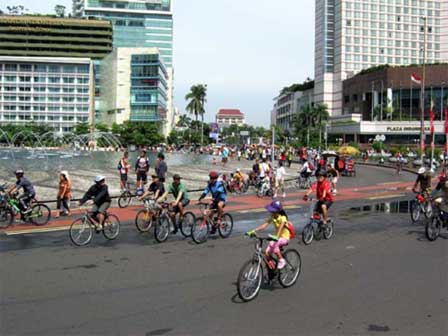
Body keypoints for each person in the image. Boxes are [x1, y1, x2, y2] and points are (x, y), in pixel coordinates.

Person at [246, 200, 291, 270]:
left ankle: (282, 260)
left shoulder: (283, 218)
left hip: (284, 237)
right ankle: (273, 270)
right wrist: (254, 230)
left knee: (272, 243)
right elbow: (264, 225)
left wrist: (276, 237)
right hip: (277, 237)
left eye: (273, 211)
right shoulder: (272, 216)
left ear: (278, 211)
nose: (271, 212)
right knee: (267, 253)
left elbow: (281, 228)